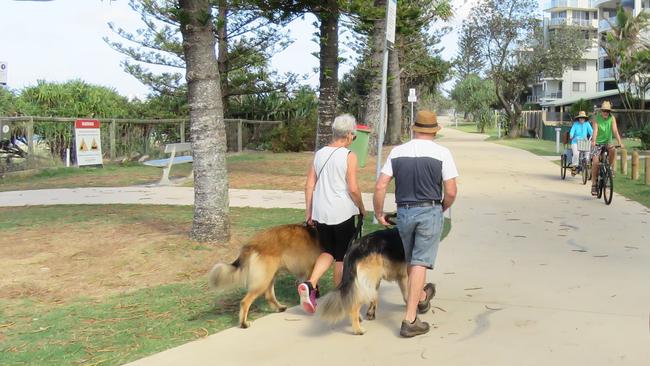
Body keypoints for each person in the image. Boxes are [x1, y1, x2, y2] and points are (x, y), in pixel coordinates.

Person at [373, 110, 458, 338]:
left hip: (404, 211)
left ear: (414, 128)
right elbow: (451, 191)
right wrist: (442, 207)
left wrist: (379, 212)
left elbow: (381, 185)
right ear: (434, 131)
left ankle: (420, 298)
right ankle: (410, 319)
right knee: (420, 262)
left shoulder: (398, 152)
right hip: (429, 208)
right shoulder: (442, 153)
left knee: (412, 260)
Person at [299, 114, 365, 314]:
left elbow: (309, 184)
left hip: (321, 212)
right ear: (349, 135)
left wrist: (309, 211)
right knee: (342, 256)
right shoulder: (349, 156)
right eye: (354, 134)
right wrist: (362, 207)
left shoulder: (319, 154)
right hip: (342, 212)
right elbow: (353, 188)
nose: (354, 137)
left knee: (327, 250)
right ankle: (339, 299)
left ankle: (310, 284)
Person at [590, 101, 624, 196]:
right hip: (597, 143)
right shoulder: (596, 118)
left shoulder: (612, 118)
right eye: (604, 111)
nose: (605, 112)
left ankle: (609, 168)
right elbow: (595, 130)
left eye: (607, 111)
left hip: (607, 142)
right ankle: (594, 184)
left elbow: (615, 130)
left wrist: (620, 142)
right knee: (596, 162)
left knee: (613, 149)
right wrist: (593, 141)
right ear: (601, 111)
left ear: (609, 112)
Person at [569, 111, 593, 176]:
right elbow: (572, 131)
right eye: (580, 118)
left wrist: (593, 136)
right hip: (575, 142)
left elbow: (591, 132)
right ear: (578, 118)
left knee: (588, 151)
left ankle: (586, 161)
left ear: (585, 118)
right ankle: (574, 166)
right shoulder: (575, 124)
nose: (582, 119)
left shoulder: (587, 124)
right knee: (576, 154)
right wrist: (571, 135)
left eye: (583, 118)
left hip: (584, 141)